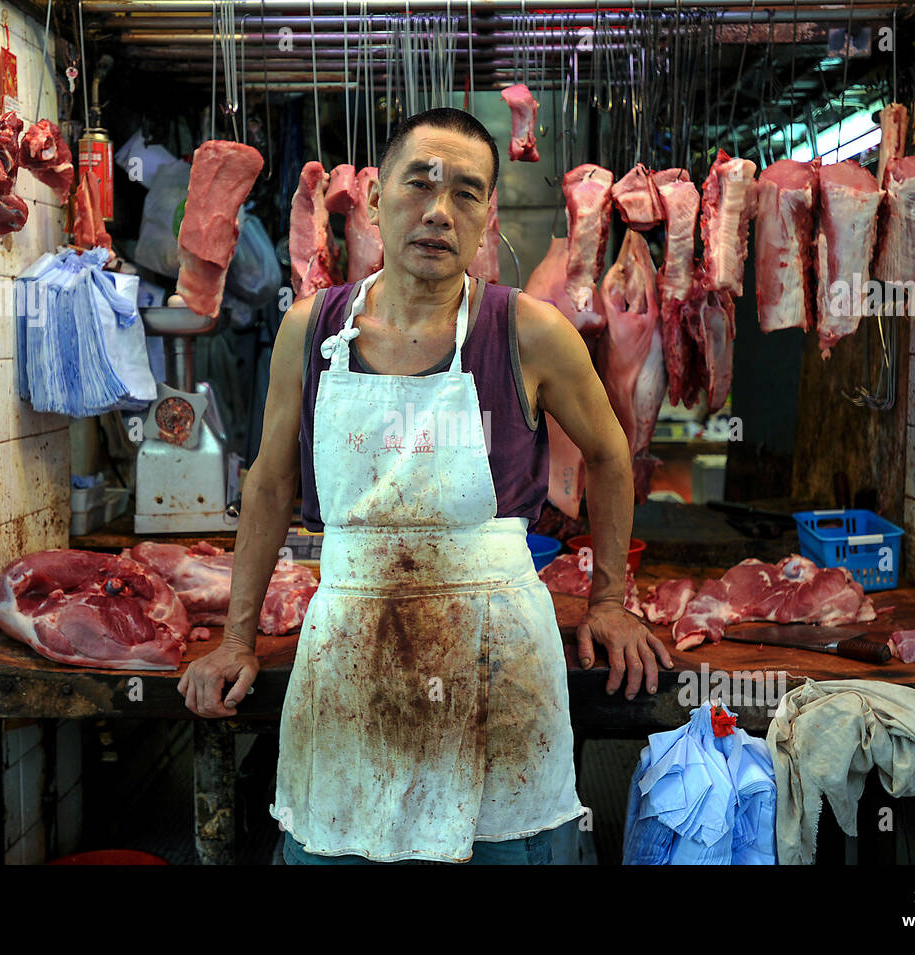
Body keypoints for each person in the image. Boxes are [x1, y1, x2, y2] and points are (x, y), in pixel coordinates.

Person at [178, 107, 671, 865]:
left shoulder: (528, 331)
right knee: (338, 846)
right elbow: (270, 483)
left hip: (496, 661)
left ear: (488, 217)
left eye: (467, 193)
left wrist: (609, 598)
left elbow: (609, 454)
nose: (440, 211)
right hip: (350, 658)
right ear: (374, 203)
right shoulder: (312, 331)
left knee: (508, 845)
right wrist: (236, 637)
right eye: (420, 183)